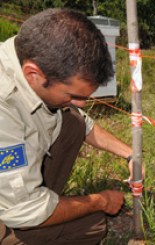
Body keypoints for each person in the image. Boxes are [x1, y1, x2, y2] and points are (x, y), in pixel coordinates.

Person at [0, 8, 138, 244]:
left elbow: (81, 122)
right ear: (33, 73)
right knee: (91, 226)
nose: (82, 104)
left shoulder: (26, 53)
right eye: (73, 94)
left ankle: (41, 208)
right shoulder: (4, 105)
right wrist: (100, 200)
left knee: (71, 119)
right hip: (11, 211)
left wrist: (130, 154)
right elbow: (23, 208)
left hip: (13, 194)